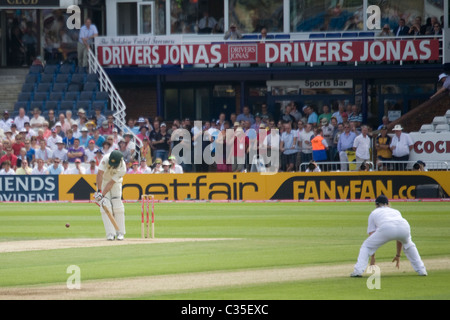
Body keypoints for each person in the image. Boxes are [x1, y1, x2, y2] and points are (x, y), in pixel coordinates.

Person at [350, 195, 427, 277]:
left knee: (366, 246)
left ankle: (358, 271)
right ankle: (422, 270)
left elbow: (371, 235)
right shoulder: (396, 211)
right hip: (404, 226)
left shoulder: (374, 213)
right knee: (409, 245)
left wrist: (373, 257)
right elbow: (399, 238)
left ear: (376, 205)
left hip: (387, 227)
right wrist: (398, 255)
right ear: (388, 204)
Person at [94, 150, 127, 241]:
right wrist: (99, 191)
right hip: (103, 182)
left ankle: (120, 233)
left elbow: (111, 183)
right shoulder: (105, 159)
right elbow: (100, 174)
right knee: (105, 206)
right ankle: (110, 234)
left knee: (117, 205)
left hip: (115, 183)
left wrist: (102, 195)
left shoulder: (123, 167)